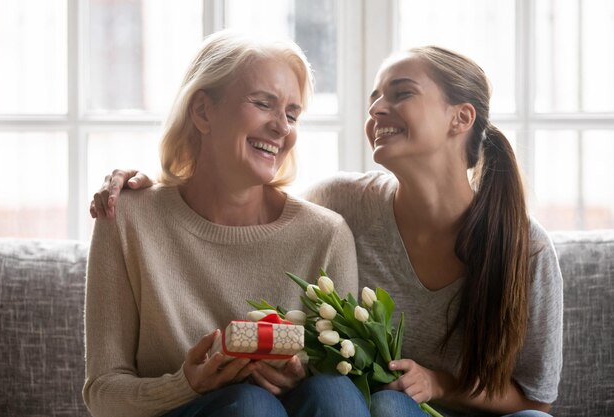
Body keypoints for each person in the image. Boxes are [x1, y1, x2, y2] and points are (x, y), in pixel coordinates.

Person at [90, 45, 563, 417]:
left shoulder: (525, 247)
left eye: (400, 93)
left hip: (456, 409)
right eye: (374, 96)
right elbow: (234, 193)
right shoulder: (341, 205)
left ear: (461, 118)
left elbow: (536, 397)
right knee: (367, 401)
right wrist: (149, 188)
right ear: (202, 111)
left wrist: (442, 383)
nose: (377, 108)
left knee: (356, 397)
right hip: (360, 407)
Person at [83, 30, 366, 417]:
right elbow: (103, 394)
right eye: (263, 104)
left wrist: (300, 374)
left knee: (335, 391)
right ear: (202, 112)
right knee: (251, 405)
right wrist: (187, 385)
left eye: (292, 114)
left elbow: (341, 379)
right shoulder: (128, 218)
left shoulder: (325, 235)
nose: (282, 128)